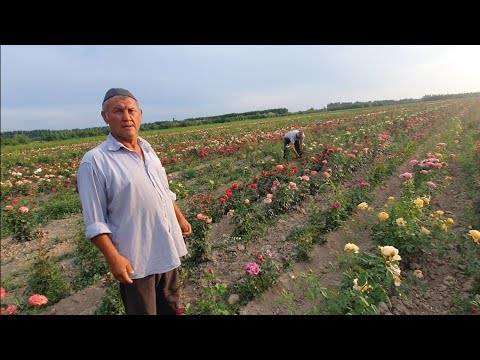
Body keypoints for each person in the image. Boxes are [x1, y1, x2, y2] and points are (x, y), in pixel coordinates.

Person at [77, 88, 192, 315]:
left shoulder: (148, 150)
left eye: (131, 110)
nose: (126, 117)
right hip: (137, 259)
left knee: (171, 305)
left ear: (140, 114)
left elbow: (164, 191)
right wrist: (114, 259)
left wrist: (180, 218)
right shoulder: (95, 161)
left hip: (167, 248)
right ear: (105, 117)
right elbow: (94, 221)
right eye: (118, 111)